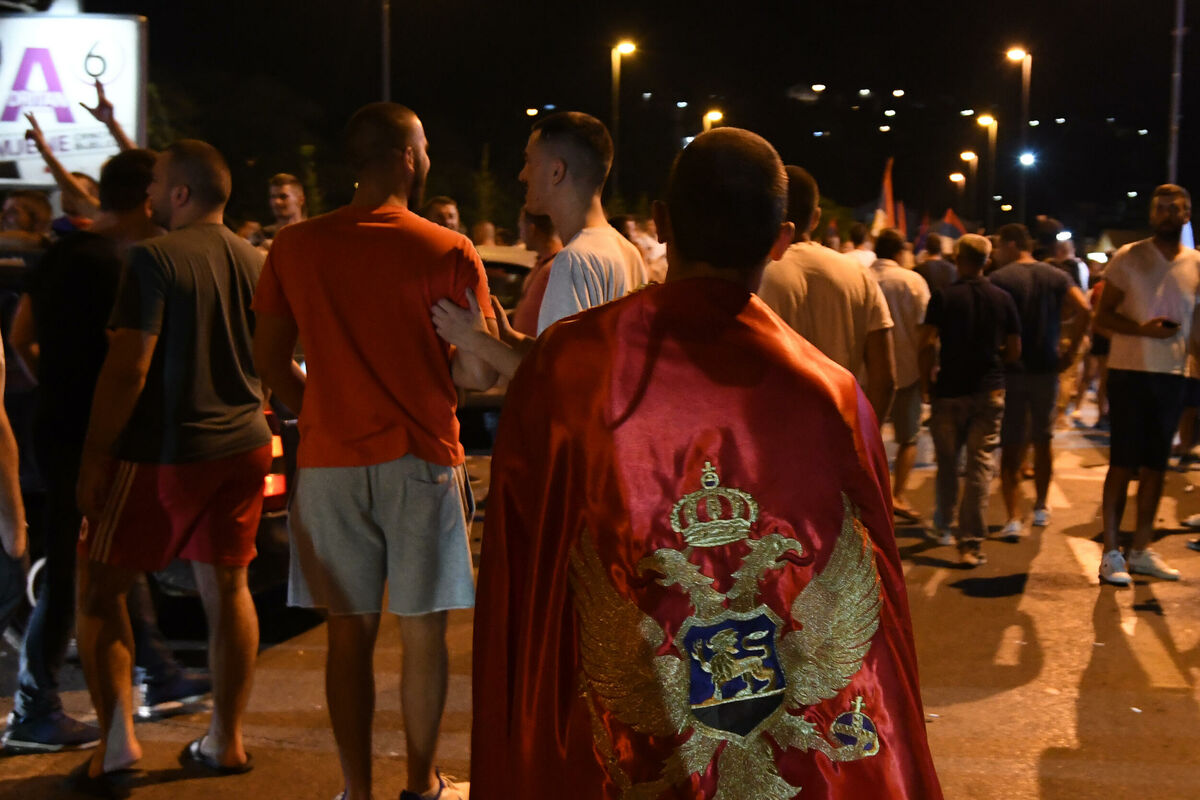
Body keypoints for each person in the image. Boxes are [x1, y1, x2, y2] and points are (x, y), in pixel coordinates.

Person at [470, 127, 942, 799]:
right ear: (781, 240)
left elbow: (526, 580)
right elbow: (877, 642)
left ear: (661, 224)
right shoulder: (831, 396)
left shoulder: (568, 368)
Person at [253, 102, 497, 800]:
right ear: (405, 157)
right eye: (424, 147)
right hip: (422, 458)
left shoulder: (295, 246)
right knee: (422, 634)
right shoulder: (447, 249)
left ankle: (356, 790)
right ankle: (421, 784)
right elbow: (478, 371)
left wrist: (323, 409)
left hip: (330, 465)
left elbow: (269, 360)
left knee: (347, 634)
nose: (428, 158)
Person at [73, 140, 272, 790]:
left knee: (99, 590)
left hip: (164, 450)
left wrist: (95, 454)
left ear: (180, 193)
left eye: (156, 182)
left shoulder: (153, 258)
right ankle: (226, 741)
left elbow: (129, 365)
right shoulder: (257, 259)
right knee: (230, 588)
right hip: (243, 443)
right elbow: (271, 355)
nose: (149, 193)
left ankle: (116, 746)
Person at [4, 150, 210, 754]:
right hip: (99, 437)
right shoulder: (130, 265)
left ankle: (158, 670)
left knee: (111, 556)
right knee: (76, 572)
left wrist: (58, 387)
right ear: (148, 198)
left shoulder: (65, 251)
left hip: (60, 427)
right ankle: (34, 706)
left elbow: (22, 337)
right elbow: (132, 363)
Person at [430, 112, 646, 379]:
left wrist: (473, 340)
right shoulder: (627, 251)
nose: (522, 175)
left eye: (529, 161)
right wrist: (510, 338)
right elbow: (581, 363)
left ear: (556, 172)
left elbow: (556, 382)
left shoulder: (574, 260)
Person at [1095, 184, 1200, 585]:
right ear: (1152, 214)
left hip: (1172, 376)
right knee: (1122, 464)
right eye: (1162, 208)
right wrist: (1143, 330)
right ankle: (1111, 553)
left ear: (1187, 215)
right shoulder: (1129, 256)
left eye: (1176, 208)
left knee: (1157, 466)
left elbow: (1196, 328)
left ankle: (1140, 549)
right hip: (1130, 372)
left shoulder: (1195, 263)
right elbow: (1102, 317)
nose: (1169, 213)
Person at [757, 166, 896, 421]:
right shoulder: (860, 275)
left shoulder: (757, 278)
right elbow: (884, 380)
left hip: (776, 432)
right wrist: (864, 436)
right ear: (816, 217)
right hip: (842, 429)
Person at [919, 235, 1022, 565]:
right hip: (988, 389)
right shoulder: (1003, 298)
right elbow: (1015, 348)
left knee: (948, 462)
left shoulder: (944, 297)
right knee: (980, 465)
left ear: (957, 259)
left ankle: (943, 525)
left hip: (949, 390)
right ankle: (971, 543)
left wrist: (926, 383)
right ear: (987, 262)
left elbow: (927, 343)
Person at [988, 223, 1090, 540]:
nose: (996, 253)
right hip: (1047, 368)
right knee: (1043, 440)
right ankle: (1042, 506)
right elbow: (1085, 309)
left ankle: (1013, 516)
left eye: (999, 246)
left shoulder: (999, 279)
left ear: (1011, 244)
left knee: (1011, 442)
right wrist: (1071, 352)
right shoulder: (1056, 276)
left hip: (1013, 369)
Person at [869, 229, 930, 521]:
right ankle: (897, 495)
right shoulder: (912, 281)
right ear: (899, 252)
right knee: (908, 437)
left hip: (867, 372)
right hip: (907, 370)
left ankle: (871, 496)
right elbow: (925, 328)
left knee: (869, 437)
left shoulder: (861, 277)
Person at [509, 207, 562, 336]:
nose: (520, 234)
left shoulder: (556, 268)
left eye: (521, 228)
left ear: (531, 229)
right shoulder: (543, 264)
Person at [262, 173, 307, 243]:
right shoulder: (262, 236)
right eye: (273, 197)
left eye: (283, 196)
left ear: (301, 200)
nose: (276, 202)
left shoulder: (314, 233)